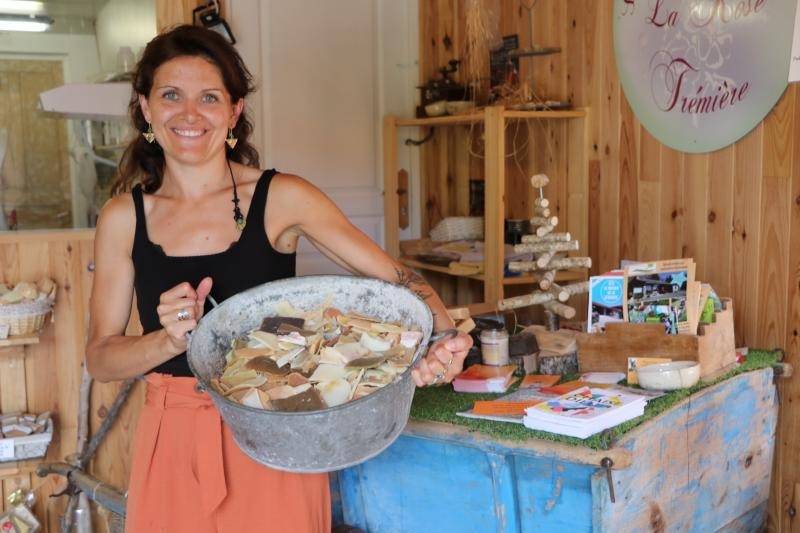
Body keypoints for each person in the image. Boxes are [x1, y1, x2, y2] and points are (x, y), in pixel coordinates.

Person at [85, 25, 472, 533]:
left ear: (233, 112)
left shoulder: (282, 197)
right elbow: (101, 359)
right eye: (171, 96)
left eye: (209, 97)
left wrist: (444, 337)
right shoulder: (123, 218)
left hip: (278, 430)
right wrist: (168, 339)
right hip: (172, 438)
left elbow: (396, 277)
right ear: (146, 108)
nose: (189, 114)